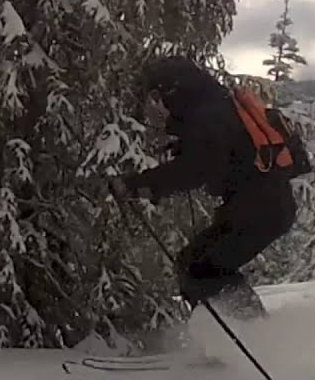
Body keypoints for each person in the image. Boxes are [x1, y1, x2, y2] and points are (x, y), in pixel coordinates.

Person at [112, 56, 298, 320]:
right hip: (261, 206)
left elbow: (197, 169)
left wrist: (139, 184)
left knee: (199, 268)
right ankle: (245, 333)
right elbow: (222, 154)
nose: (158, 106)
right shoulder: (215, 106)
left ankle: (248, 336)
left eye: (157, 95)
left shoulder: (207, 114)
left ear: (173, 89)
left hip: (258, 210)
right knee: (197, 263)